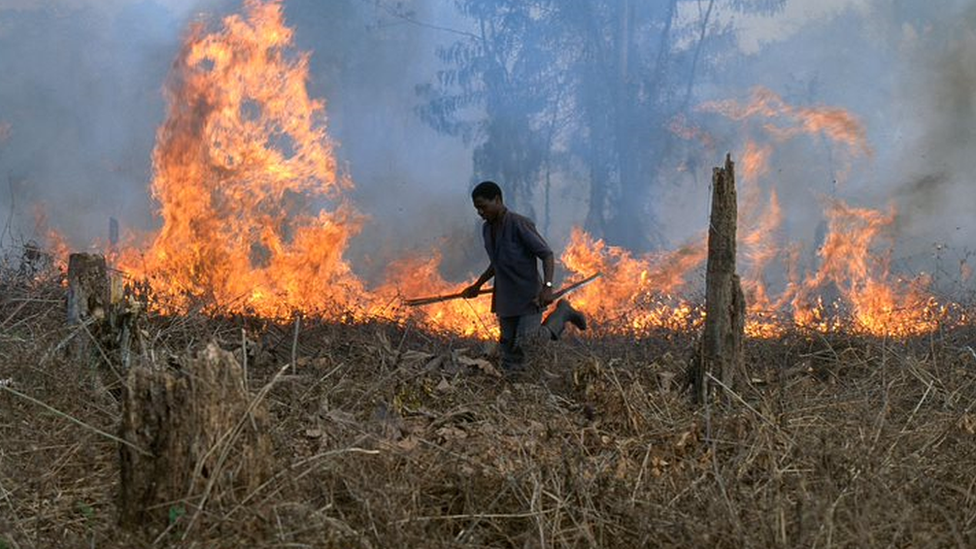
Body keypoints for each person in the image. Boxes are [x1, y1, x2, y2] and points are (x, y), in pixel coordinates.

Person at [461, 181, 586, 373]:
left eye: (483, 207)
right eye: (477, 209)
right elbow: (496, 263)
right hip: (505, 298)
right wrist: (477, 286)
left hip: (529, 296)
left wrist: (547, 286)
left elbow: (546, 254)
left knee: (527, 344)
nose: (480, 212)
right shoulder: (487, 229)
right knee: (507, 347)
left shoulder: (519, 223)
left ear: (497, 199)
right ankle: (513, 383)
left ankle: (562, 314)